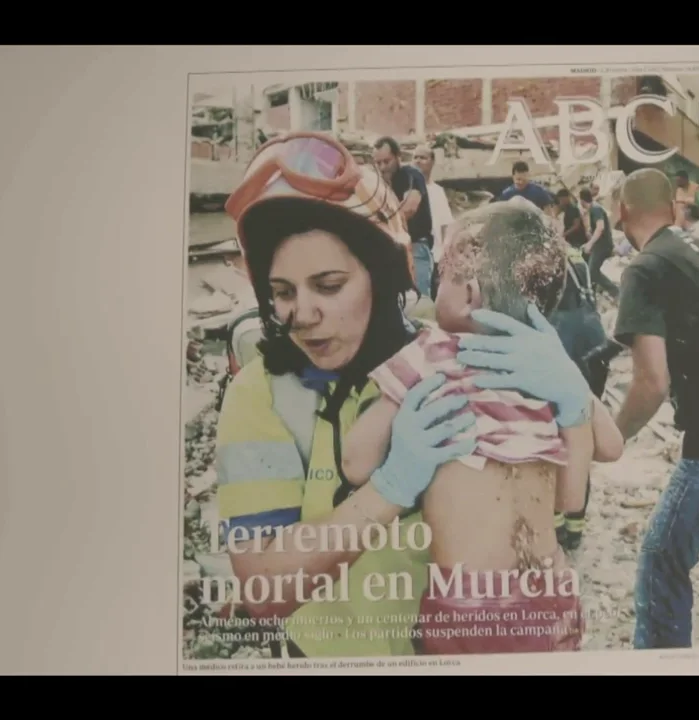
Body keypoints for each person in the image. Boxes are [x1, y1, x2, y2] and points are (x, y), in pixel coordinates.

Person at [212, 131, 616, 658]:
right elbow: (262, 588)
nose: (302, 315)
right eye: (282, 293)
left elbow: (601, 443)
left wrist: (569, 386)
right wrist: (390, 489)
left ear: (379, 278)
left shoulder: (439, 343)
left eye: (329, 285)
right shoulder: (261, 392)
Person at [340, 201, 624, 654]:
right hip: (551, 599)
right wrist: (573, 391)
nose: (436, 287)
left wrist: (395, 456)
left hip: (468, 608)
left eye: (445, 275)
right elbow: (610, 445)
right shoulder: (544, 361)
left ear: (469, 292)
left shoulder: (431, 353)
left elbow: (355, 462)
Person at [608, 168, 699, 649]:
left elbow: (651, 382)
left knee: (660, 557)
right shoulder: (693, 249)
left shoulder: (645, 267)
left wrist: (613, 438)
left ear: (623, 209)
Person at [373, 136, 435, 299]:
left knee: (420, 301)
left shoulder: (411, 175)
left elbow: (410, 207)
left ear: (398, 157)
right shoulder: (378, 184)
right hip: (392, 249)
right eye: (378, 163)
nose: (382, 167)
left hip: (415, 247)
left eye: (387, 161)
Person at [412, 144, 455, 298]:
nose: (418, 161)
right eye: (415, 157)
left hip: (435, 255)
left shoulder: (437, 191)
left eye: (423, 158)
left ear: (432, 162)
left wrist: (445, 252)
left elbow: (446, 224)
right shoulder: (408, 189)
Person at [579, 188, 619, 298]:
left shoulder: (595, 209)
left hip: (603, 246)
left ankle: (615, 291)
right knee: (590, 268)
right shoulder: (593, 209)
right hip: (599, 245)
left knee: (592, 272)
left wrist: (590, 244)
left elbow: (600, 228)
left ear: (582, 200)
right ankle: (597, 290)